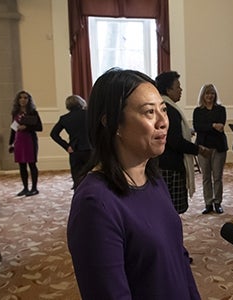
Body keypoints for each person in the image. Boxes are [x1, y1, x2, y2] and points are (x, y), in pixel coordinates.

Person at [66, 68, 201, 300]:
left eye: (164, 110)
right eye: (149, 112)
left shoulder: (155, 180)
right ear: (112, 123)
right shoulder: (95, 203)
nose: (163, 122)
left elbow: (178, 257)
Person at [155, 71, 210, 214]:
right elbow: (176, 142)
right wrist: (198, 150)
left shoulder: (159, 106)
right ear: (168, 90)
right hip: (170, 166)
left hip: (161, 163)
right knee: (171, 210)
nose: (181, 90)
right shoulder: (169, 110)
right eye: (178, 87)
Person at [193, 83, 228, 214]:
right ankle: (208, 203)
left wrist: (207, 126)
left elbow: (221, 126)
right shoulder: (198, 111)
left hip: (219, 147)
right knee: (206, 177)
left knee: (217, 177)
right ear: (203, 95)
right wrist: (213, 125)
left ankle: (217, 202)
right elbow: (198, 127)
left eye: (212, 93)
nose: (210, 96)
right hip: (203, 148)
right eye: (207, 93)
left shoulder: (221, 109)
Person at [50, 95, 91, 189]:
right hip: (90, 148)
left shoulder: (64, 118)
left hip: (75, 149)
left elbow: (54, 134)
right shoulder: (89, 114)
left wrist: (66, 146)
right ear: (82, 102)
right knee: (93, 174)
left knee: (77, 176)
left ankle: (79, 196)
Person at [8, 90, 43, 197]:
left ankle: (34, 188)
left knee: (31, 164)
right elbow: (13, 129)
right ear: (18, 100)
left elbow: (39, 127)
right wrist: (10, 143)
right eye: (21, 98)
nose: (23, 100)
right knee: (21, 165)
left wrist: (26, 127)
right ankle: (25, 188)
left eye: (25, 98)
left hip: (30, 141)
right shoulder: (15, 113)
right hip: (19, 141)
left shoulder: (33, 112)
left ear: (29, 100)